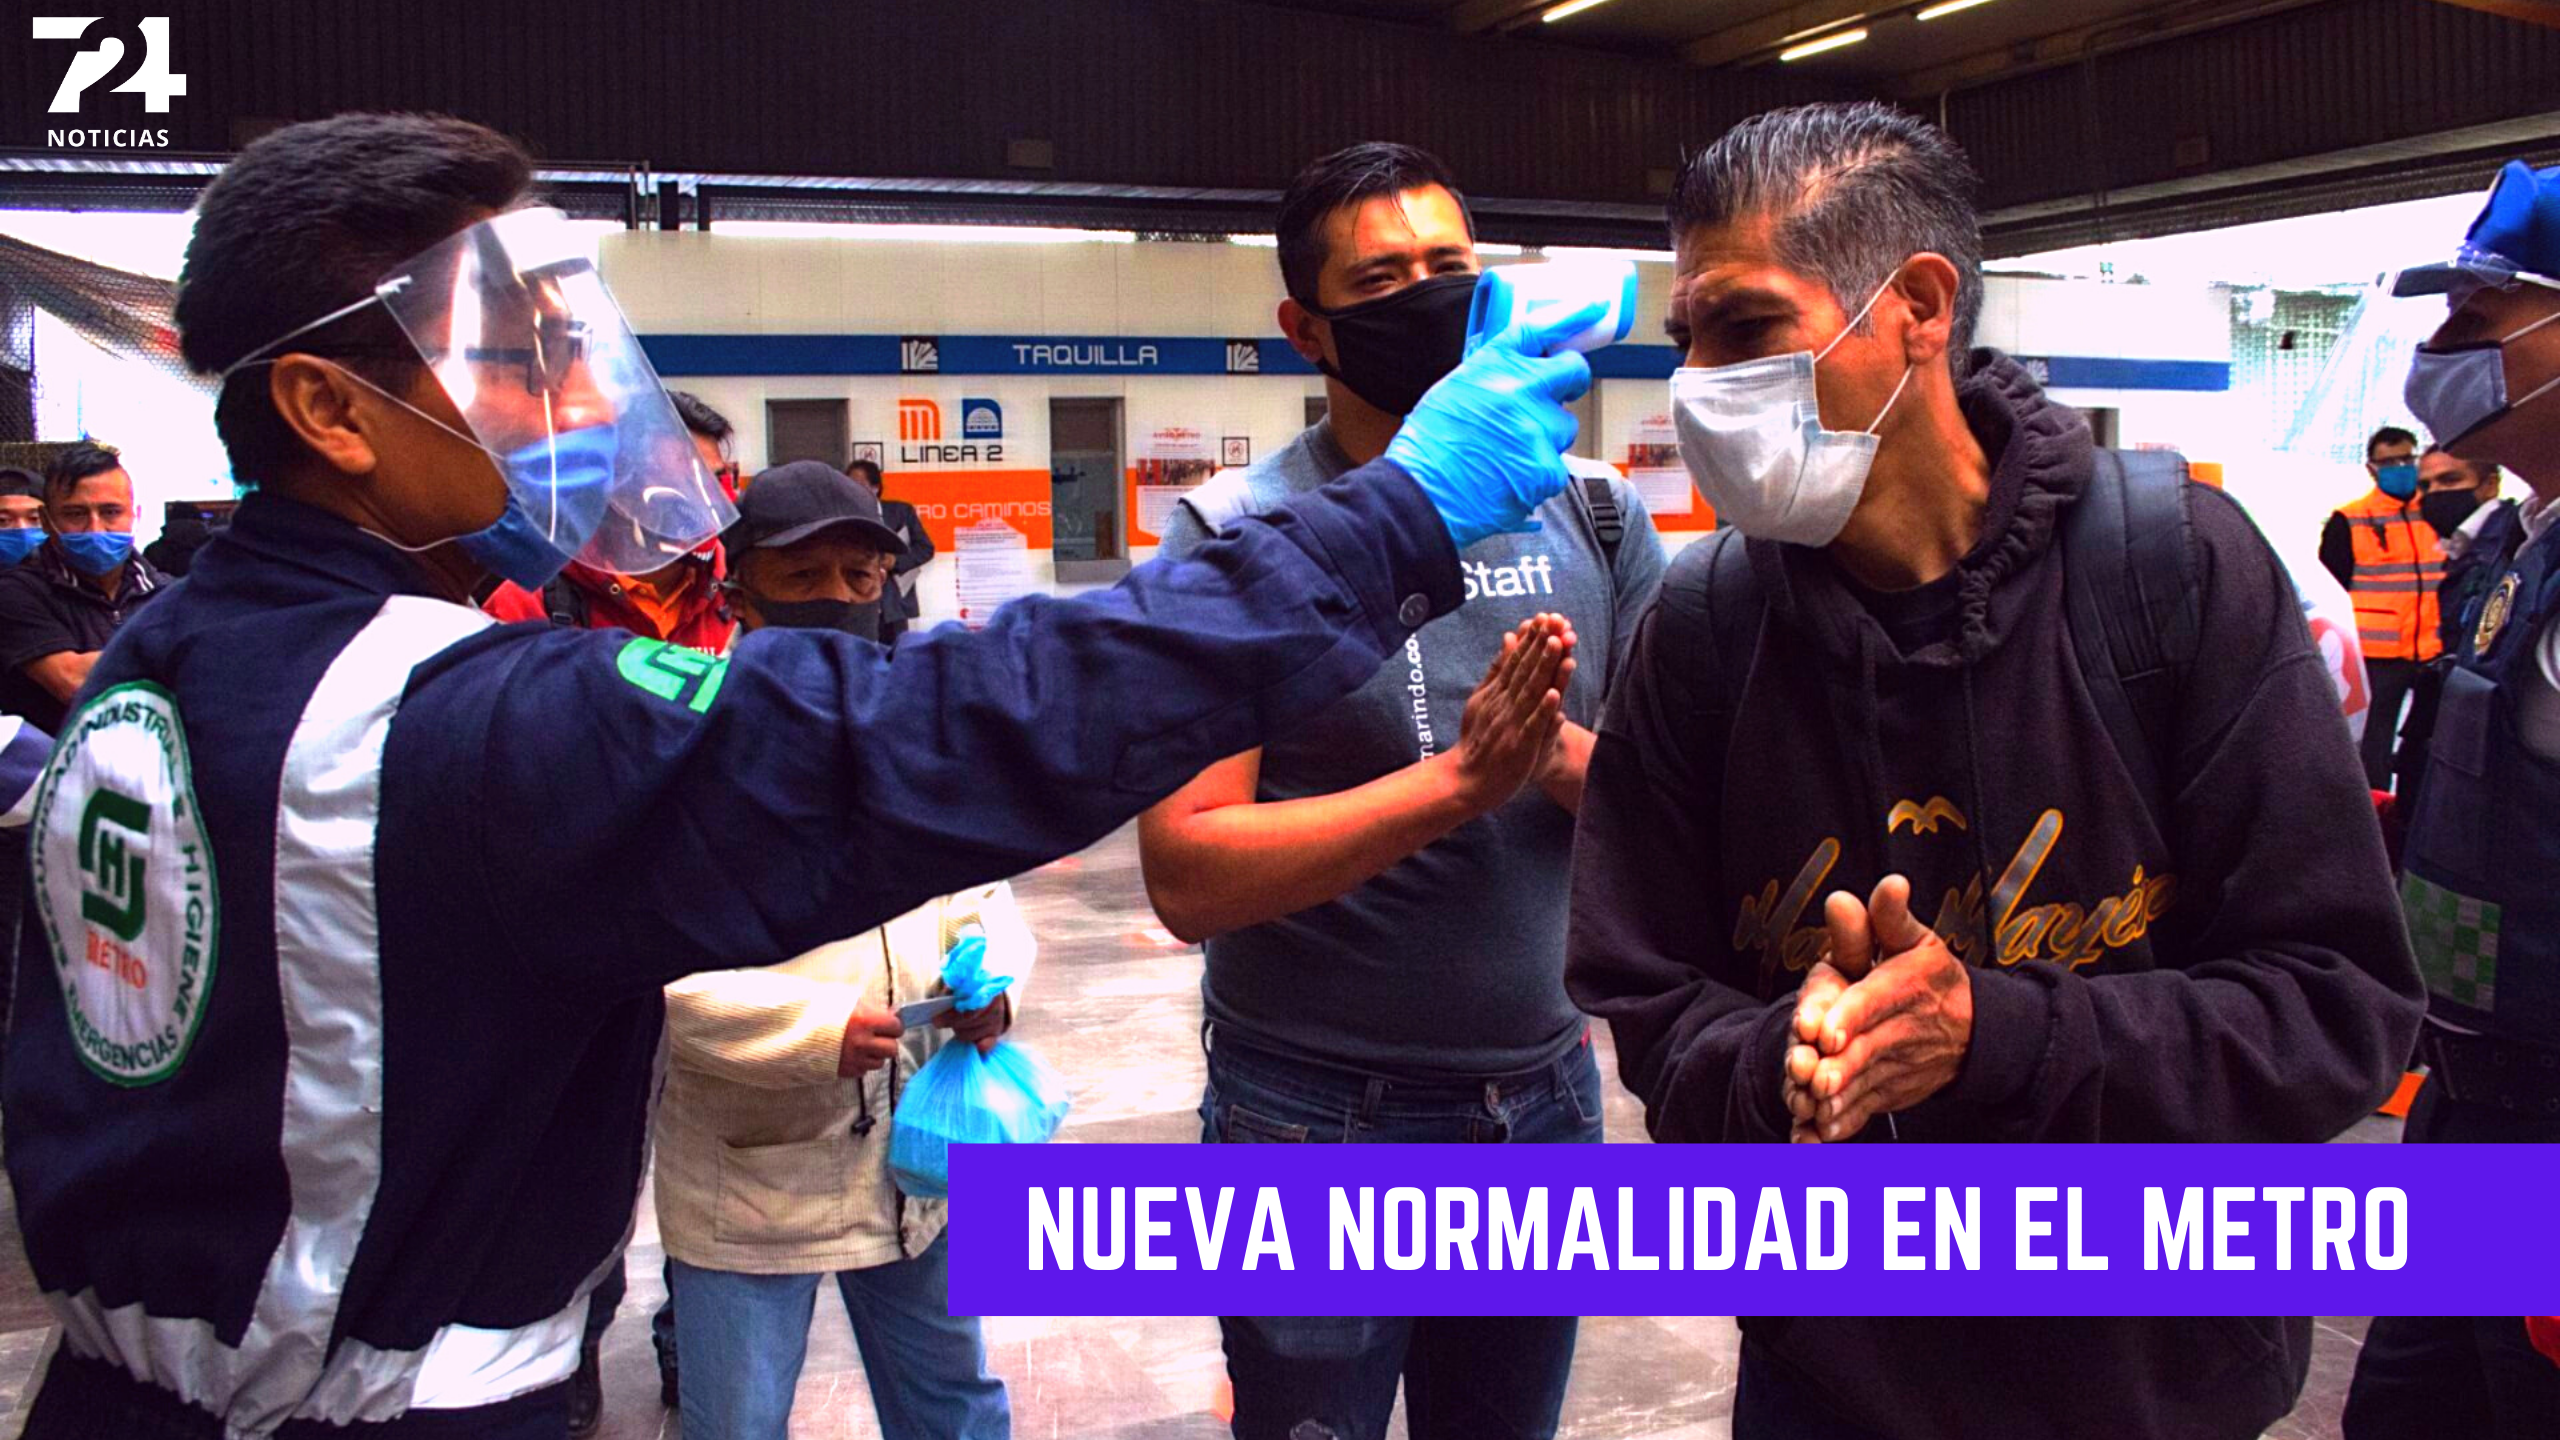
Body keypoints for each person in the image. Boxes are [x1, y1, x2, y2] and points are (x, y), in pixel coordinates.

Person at [1, 111, 1595, 1439]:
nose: (578, 406)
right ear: (327, 411)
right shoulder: (442, 724)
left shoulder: (171, 663)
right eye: (517, 361)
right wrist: (1394, 519)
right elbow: (957, 727)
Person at [1562, 102, 2421, 1440]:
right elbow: (1651, 1007)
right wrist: (1787, 1059)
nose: (1698, 387)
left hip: (2153, 1391)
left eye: (1744, 328)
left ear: (1917, 306)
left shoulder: (2175, 576)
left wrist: (1996, 1037)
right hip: (1831, 1389)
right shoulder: (1706, 629)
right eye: (1687, 340)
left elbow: (2336, 1010)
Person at [1140, 141, 1665, 1440]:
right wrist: (1454, 786)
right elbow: (1188, 872)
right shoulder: (1237, 533)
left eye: (1449, 267)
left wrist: (1549, 758)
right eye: (1381, 281)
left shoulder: (1596, 517)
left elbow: (1675, 812)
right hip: (1311, 1120)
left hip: (1541, 1104)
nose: (1426, 298)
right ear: (1305, 327)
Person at [656, 463, 1014, 1440]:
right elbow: (647, 970)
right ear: (739, 594)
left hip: (915, 1165)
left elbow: (978, 886)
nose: (838, 599)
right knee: (737, 1423)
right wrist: (815, 1031)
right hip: (753, 1184)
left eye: (860, 577)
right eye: (803, 576)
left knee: (956, 1408)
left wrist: (991, 978)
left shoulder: (919, 732)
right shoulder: (676, 748)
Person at [2342, 156, 2560, 1440]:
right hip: (2472, 1102)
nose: (2438, 350)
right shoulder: (2512, 547)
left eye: (2480, 315)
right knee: (2410, 1413)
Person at [482, 389, 738, 656]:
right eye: (679, 482)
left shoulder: (737, 594)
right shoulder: (531, 603)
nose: (706, 501)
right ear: (620, 488)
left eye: (714, 481)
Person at [0, 441, 170, 733]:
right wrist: (177, 653)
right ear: (47, 521)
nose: (95, 529)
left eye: (111, 512)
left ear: (136, 516)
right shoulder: (17, 592)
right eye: (76, 514)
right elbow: (73, 682)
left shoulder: (166, 592)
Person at [2321, 424, 2444, 787]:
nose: (2400, 468)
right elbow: (2332, 589)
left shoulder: (2438, 512)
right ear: (2371, 468)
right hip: (2379, 653)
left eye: (2406, 459)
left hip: (2436, 647)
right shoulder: (2350, 520)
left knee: (2432, 739)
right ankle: (2375, 806)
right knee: (2374, 740)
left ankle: (2416, 805)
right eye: (2389, 462)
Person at [848, 457, 933, 641]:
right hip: (856, 605)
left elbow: (925, 548)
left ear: (875, 487)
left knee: (895, 653)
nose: (852, 491)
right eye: (849, 486)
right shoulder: (842, 518)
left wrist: (896, 561)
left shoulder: (900, 512)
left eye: (858, 485)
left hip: (893, 604)